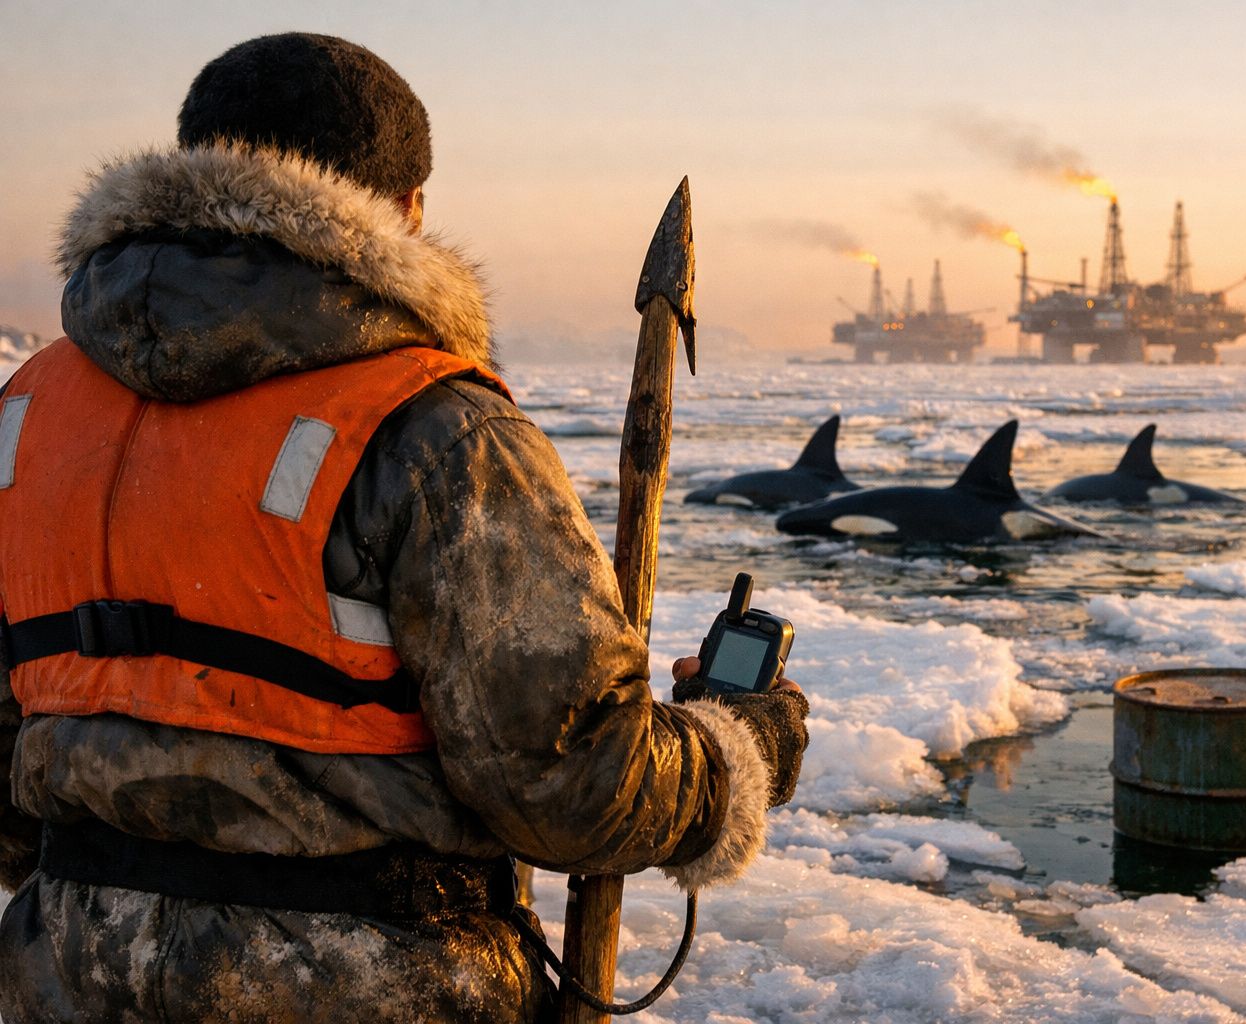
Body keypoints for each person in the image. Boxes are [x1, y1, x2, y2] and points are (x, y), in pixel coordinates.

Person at [0, 32, 808, 1023]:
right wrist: (737, 753)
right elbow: (566, 783)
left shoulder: (26, 418)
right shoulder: (436, 431)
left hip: (67, 975)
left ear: (186, 170)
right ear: (408, 210)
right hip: (369, 989)